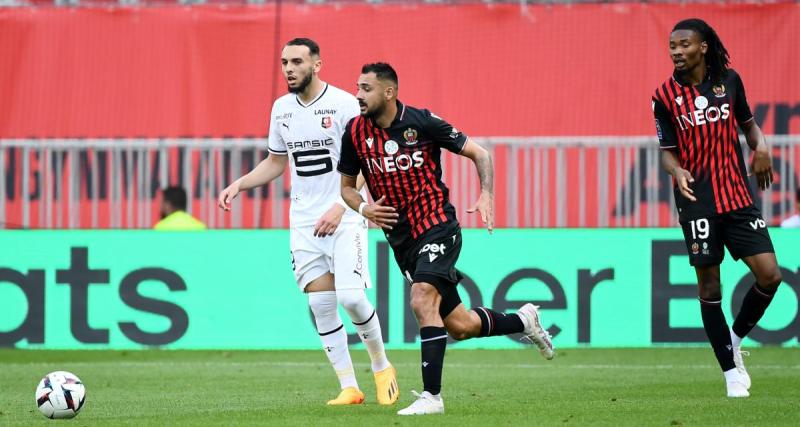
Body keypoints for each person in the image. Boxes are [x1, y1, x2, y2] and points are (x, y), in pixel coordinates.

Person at [338, 63, 554, 416]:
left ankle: (431, 397)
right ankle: (524, 321)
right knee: (461, 325)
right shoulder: (355, 132)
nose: (358, 95)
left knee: (422, 298)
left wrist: (486, 194)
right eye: (357, 87)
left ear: (389, 93)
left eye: (366, 88)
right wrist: (364, 209)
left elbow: (479, 153)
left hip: (438, 225)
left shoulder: (421, 123)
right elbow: (346, 188)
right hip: (402, 240)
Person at [218, 38, 398, 406]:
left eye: (297, 61)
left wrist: (341, 205)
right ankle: (349, 386)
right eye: (284, 62)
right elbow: (276, 161)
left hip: (345, 216)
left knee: (351, 297)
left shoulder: (345, 105)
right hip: (303, 222)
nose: (288, 68)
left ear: (317, 65)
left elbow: (366, 160)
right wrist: (240, 183)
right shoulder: (281, 108)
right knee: (320, 306)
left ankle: (382, 367)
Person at [651, 19, 783, 398]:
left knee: (770, 275)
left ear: (704, 47)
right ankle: (730, 372)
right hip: (697, 202)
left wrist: (762, 148)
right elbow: (667, 154)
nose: (676, 50)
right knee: (710, 285)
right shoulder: (663, 96)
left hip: (737, 197)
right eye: (672, 45)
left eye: (684, 44)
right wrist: (677, 171)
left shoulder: (730, 81)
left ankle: (734, 339)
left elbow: (750, 126)